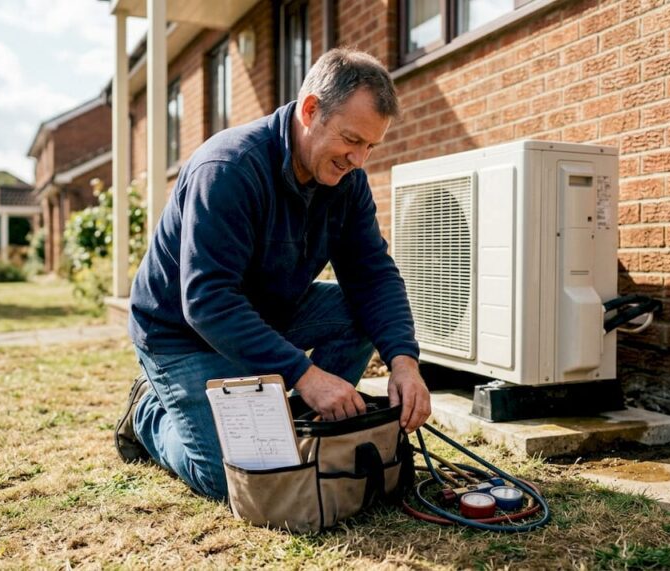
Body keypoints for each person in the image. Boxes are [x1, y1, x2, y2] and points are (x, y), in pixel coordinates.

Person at [114, 48, 432, 500]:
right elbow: (207, 300)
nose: (359, 160)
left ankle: (291, 431)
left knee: (357, 316)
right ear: (310, 110)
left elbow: (373, 274)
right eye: (350, 139)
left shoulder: (347, 182)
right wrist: (306, 374)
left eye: (370, 146)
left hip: (269, 311)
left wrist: (404, 360)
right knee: (230, 479)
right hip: (180, 330)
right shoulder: (227, 168)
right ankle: (148, 413)